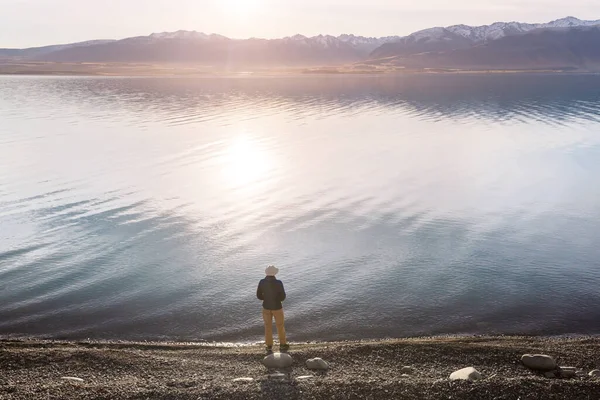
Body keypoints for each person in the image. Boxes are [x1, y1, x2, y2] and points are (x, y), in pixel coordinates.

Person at [257, 265, 288, 352]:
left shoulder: (262, 282)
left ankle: (269, 346)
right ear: (275, 273)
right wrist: (276, 299)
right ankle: (282, 344)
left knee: (268, 326)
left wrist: (266, 298)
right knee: (280, 326)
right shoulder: (278, 283)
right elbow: (283, 297)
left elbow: (258, 296)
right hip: (277, 307)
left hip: (266, 307)